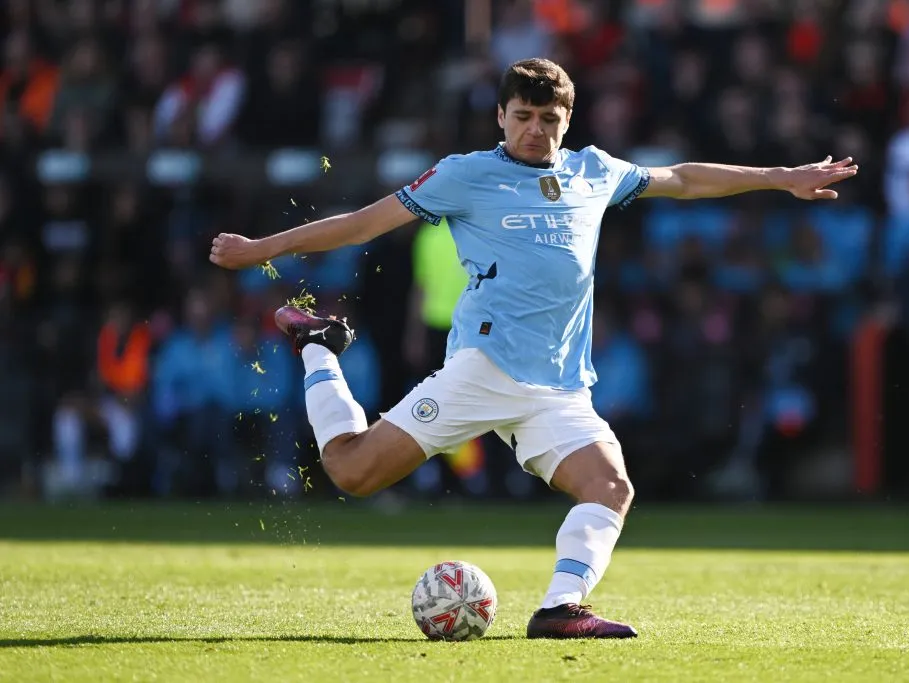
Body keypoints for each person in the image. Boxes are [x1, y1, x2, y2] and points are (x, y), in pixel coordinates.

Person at [209, 58, 856, 639]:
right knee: (351, 472)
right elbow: (361, 224)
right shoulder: (466, 175)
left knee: (610, 486)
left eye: (549, 119)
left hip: (560, 387)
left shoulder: (594, 171)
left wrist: (780, 176)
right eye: (523, 117)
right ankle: (320, 348)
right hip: (482, 369)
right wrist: (260, 249)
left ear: (567, 122)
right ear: (501, 116)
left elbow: (683, 178)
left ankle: (560, 608)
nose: (535, 131)